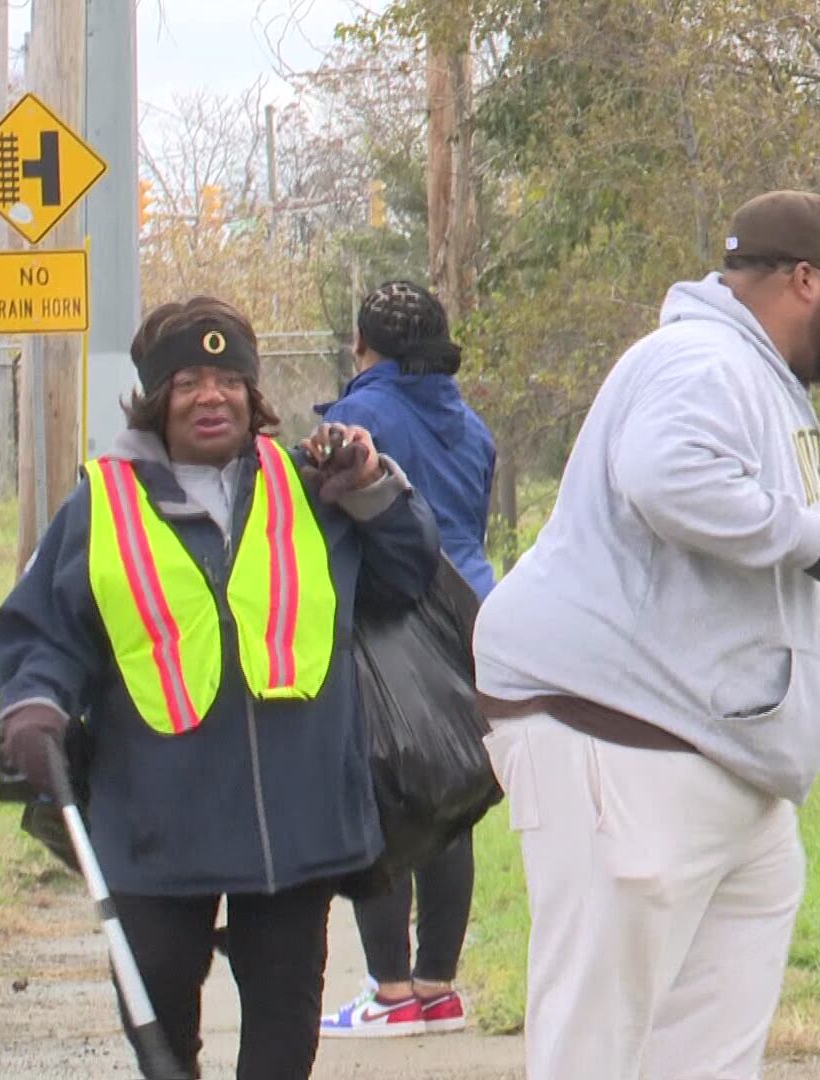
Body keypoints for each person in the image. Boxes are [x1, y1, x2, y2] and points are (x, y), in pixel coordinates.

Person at [472, 189, 820, 1080]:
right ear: (804, 279)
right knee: (597, 1037)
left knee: (708, 1047)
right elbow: (665, 476)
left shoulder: (761, 385)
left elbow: (787, 561)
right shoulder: (701, 359)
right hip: (619, 730)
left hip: (727, 759)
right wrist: (807, 536)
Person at [0, 297, 440, 1079]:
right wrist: (34, 704)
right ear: (155, 398)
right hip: (159, 825)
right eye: (189, 380)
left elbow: (407, 581)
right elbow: (46, 633)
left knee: (283, 1038)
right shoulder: (103, 504)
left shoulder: (312, 485)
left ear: (253, 394)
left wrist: (371, 491)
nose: (212, 396)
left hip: (294, 832)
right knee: (158, 1027)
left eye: (230, 379)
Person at [316, 280, 496, 1038]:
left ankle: (390, 992)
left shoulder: (363, 414)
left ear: (366, 345)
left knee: (381, 794)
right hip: (476, 615)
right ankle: (438, 986)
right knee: (449, 798)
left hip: (392, 619)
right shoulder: (473, 424)